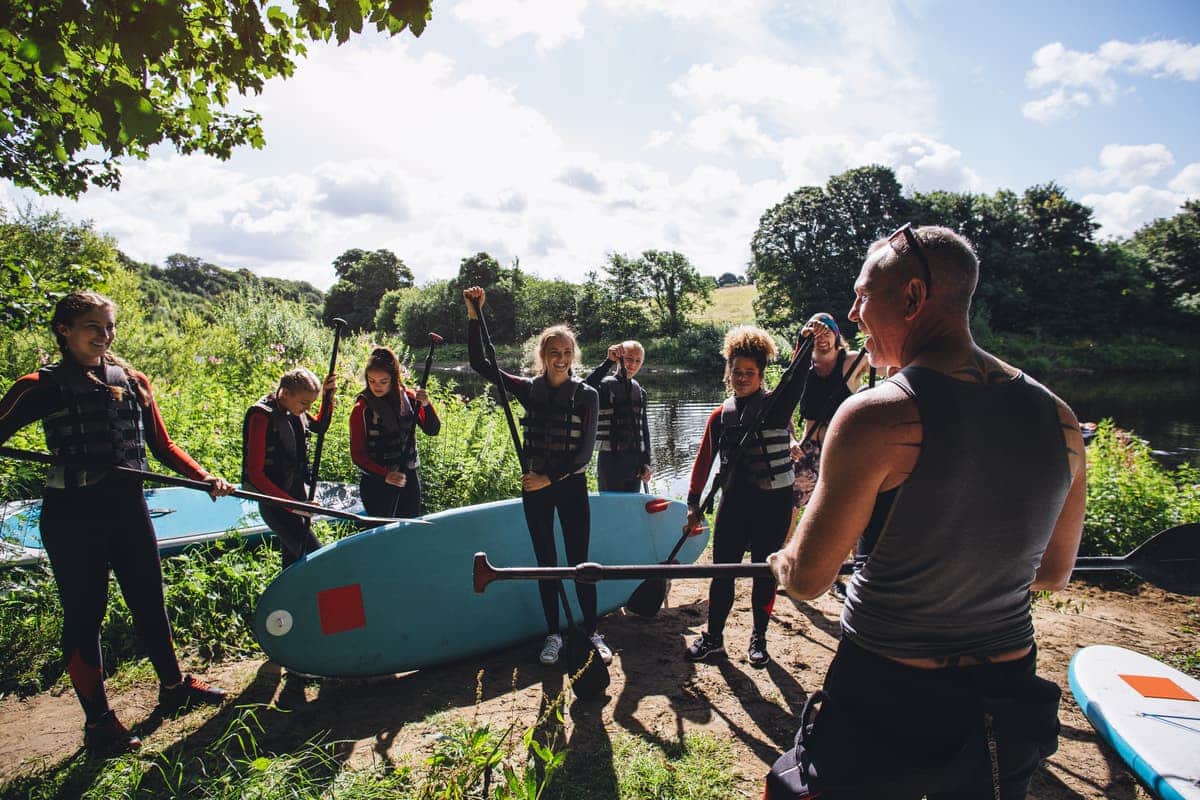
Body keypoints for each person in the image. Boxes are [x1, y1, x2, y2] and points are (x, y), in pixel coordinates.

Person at [767, 225, 1086, 799]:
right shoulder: (1059, 417)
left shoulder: (878, 415)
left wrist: (782, 559)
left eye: (864, 295)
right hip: (1005, 693)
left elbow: (810, 581)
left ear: (913, 298)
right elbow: (1052, 572)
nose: (854, 311)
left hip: (889, 693)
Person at [0, 291, 234, 755]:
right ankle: (99, 722)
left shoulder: (131, 379)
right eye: (93, 325)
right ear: (64, 330)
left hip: (128, 508)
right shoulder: (39, 385)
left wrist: (203, 476)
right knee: (86, 615)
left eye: (109, 326)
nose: (104, 335)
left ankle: (173, 687)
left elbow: (163, 448)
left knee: (149, 599)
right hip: (73, 515)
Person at [463, 286, 610, 666]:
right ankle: (554, 635)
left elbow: (584, 453)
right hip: (535, 490)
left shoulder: (587, 395)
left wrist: (550, 479)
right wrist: (473, 314)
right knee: (546, 562)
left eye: (565, 353)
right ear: (542, 355)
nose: (560, 359)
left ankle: (592, 631)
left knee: (580, 561)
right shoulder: (529, 390)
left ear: (572, 356)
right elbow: (480, 362)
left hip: (570, 486)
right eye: (552, 353)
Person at [683, 325, 807, 668]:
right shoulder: (720, 415)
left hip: (774, 504)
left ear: (761, 374)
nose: (741, 378)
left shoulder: (776, 407)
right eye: (736, 371)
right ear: (728, 372)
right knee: (723, 571)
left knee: (763, 572)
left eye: (749, 373)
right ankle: (714, 638)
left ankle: (758, 639)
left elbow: (797, 378)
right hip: (734, 504)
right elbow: (703, 461)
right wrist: (693, 504)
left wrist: (805, 341)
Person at [241, 366, 336, 570]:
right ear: (284, 393)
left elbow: (320, 426)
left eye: (311, 403)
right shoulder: (261, 416)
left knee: (293, 565)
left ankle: (291, 602)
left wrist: (328, 397)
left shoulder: (293, 409)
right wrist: (293, 505)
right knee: (316, 559)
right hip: (276, 505)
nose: (307, 408)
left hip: (295, 498)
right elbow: (256, 474)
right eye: (304, 403)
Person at [349, 347, 441, 517]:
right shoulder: (362, 409)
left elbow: (432, 429)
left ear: (394, 378)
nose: (377, 386)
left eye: (383, 381)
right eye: (372, 381)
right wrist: (386, 475)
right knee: (383, 534)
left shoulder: (410, 398)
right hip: (377, 484)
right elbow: (358, 455)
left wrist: (427, 405)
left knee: (409, 532)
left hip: (408, 480)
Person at [584, 341, 652, 492]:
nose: (632, 365)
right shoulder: (604, 387)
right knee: (611, 506)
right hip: (610, 460)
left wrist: (646, 462)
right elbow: (584, 389)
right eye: (628, 359)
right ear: (619, 358)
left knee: (631, 506)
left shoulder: (640, 392)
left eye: (637, 361)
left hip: (635, 461)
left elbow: (644, 430)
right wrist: (608, 362)